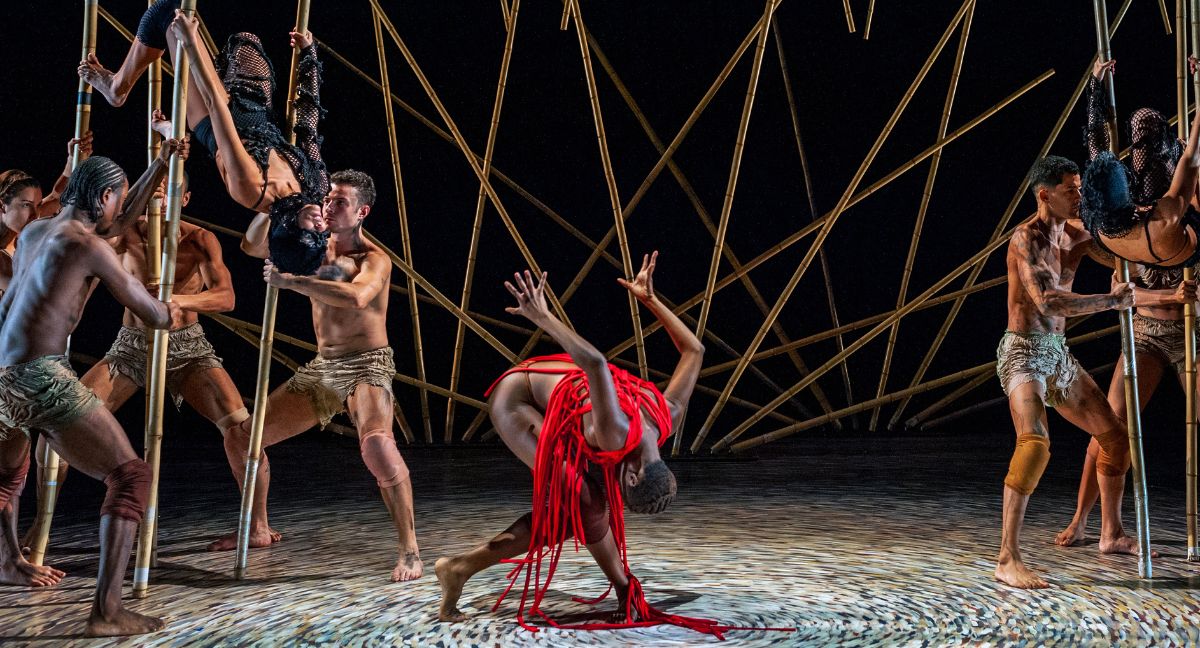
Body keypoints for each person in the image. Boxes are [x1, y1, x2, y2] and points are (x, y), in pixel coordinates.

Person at [434, 253, 731, 636]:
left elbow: (695, 352)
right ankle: (462, 568)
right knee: (589, 503)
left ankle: (459, 568)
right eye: (623, 490)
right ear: (636, 476)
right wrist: (540, 316)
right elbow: (595, 363)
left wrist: (650, 300)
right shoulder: (617, 433)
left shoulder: (666, 417)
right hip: (517, 402)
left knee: (580, 508)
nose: (618, 487)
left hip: (549, 401)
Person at [20, 172, 284, 552]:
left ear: (186, 199)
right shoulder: (121, 236)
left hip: (187, 348)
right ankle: (38, 532)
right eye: (153, 193)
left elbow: (225, 297)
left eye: (170, 192)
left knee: (243, 430)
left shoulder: (199, 239)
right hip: (131, 347)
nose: (160, 199)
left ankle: (257, 524)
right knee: (62, 425)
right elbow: (77, 239)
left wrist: (176, 301)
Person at [0, 142, 187, 636]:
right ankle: (107, 612)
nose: (119, 209)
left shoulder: (36, 229)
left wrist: (161, 161)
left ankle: (7, 562)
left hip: (1, 372)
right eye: (117, 198)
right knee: (130, 478)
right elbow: (154, 315)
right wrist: (183, 304)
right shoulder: (89, 247)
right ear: (104, 196)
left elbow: (117, 223)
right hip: (40, 375)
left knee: (6, 477)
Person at [223, 169, 422, 581]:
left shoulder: (372, 259)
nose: (330, 207)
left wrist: (292, 282)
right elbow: (252, 245)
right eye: (328, 199)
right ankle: (257, 527)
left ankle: (410, 550)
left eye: (341, 202)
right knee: (243, 438)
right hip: (324, 368)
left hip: (367, 364)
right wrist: (279, 208)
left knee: (378, 447)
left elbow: (357, 296)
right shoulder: (311, 246)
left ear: (362, 211)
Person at [1055, 60, 1200, 547]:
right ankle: (1085, 520)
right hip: (1145, 329)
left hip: (1187, 331)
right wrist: (1096, 86)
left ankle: (1097, 525)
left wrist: (1096, 85)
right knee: (1110, 427)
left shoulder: (1151, 211)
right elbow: (1097, 146)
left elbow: (1097, 144)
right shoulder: (1139, 213)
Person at [78, 2, 330, 273]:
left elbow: (215, 104)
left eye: (311, 232)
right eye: (322, 233)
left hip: (213, 118)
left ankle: (117, 88)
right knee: (248, 42)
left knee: (170, 13)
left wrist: (190, 43)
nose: (320, 224)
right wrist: (308, 57)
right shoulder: (316, 188)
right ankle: (166, 121)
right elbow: (308, 127)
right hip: (255, 109)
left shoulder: (252, 188)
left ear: (290, 228)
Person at [995, 155, 1144, 589]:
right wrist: (1112, 301)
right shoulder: (1026, 239)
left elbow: (1124, 252)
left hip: (1058, 354)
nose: (1079, 196)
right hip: (1024, 353)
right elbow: (1048, 301)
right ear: (1045, 194)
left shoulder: (1078, 233)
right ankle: (1008, 558)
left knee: (1115, 438)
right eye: (1071, 189)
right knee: (1035, 444)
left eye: (1081, 187)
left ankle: (1111, 533)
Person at [1081, 62, 1200, 269]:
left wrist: (1096, 80)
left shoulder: (1099, 212)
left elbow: (1095, 139)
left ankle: (1170, 157)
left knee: (1142, 120)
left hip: (1136, 228)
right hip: (1178, 240)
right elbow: (1192, 159)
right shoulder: (1164, 218)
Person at [0, 133, 95, 294]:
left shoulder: (25, 222)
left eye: (37, 205)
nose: (35, 214)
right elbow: (32, 295)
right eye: (26, 205)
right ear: (2, 207)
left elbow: (58, 196)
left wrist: (74, 159)